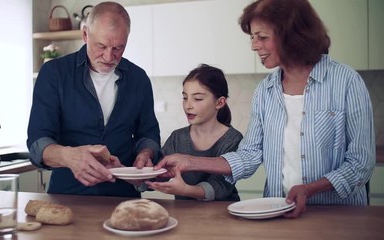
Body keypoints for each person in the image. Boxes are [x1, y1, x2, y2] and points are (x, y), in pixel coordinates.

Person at [154, 0, 375, 217]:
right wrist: (190, 161)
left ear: (292, 35)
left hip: (339, 214)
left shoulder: (346, 81)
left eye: (262, 37)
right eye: (252, 37)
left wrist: (309, 189)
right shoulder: (266, 91)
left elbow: (360, 163)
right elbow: (249, 155)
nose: (253, 45)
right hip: (281, 208)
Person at [27, 1, 161, 197]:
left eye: (118, 48)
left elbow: (148, 134)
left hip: (122, 196)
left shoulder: (139, 78)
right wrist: (68, 156)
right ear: (85, 35)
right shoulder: (53, 73)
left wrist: (146, 155)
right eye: (101, 46)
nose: (109, 56)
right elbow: (37, 143)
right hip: (66, 197)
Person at [146, 64, 243, 201]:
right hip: (184, 215)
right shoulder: (177, 137)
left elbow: (220, 186)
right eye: (185, 97)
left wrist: (186, 190)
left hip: (223, 215)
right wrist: (139, 175)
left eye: (197, 99)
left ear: (220, 103)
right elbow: (156, 173)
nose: (188, 105)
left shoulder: (233, 139)